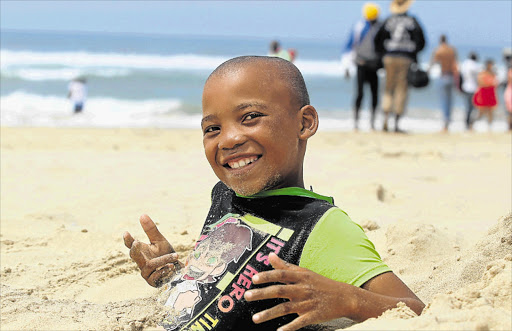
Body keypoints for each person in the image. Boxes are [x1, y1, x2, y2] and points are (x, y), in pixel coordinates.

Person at [123, 56, 424, 331]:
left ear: (304, 123)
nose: (228, 139)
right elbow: (221, 286)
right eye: (212, 128)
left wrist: (347, 299)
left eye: (250, 116)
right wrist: (171, 276)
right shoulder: (225, 196)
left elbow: (415, 311)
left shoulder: (320, 226)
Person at [374, 0, 425, 133]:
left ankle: (385, 119)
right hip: (405, 58)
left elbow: (377, 40)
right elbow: (421, 41)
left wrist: (382, 54)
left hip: (389, 57)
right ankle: (396, 123)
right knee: (401, 89)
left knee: (388, 88)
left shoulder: (388, 21)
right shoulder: (413, 21)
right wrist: (413, 53)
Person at [342, 2, 383, 131]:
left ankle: (372, 122)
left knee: (374, 94)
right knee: (360, 93)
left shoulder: (380, 27)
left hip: (374, 65)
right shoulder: (359, 27)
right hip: (361, 64)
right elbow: (350, 45)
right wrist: (347, 66)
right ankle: (356, 121)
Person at [429, 35, 458, 132]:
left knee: (444, 100)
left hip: (443, 75)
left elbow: (432, 63)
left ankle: (445, 122)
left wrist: (427, 72)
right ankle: (448, 120)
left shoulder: (438, 50)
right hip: (451, 76)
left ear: (440, 40)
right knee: (450, 101)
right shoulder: (452, 50)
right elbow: (455, 64)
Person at [472, 59, 498, 130]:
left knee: (490, 111)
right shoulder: (482, 73)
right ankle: (472, 124)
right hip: (484, 93)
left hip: (490, 93)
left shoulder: (493, 73)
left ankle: (490, 126)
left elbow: (495, 83)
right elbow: (481, 83)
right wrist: (490, 83)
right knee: (481, 111)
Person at [460, 52, 482, 130]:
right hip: (473, 88)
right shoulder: (474, 66)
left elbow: (461, 76)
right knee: (473, 108)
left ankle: (467, 123)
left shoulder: (464, 64)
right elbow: (479, 77)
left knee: (468, 107)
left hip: (465, 87)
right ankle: (470, 123)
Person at [503, 48, 512, 131]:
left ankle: (509, 126)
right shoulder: (509, 68)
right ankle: (509, 125)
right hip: (509, 90)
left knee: (509, 109)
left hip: (509, 89)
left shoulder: (507, 67)